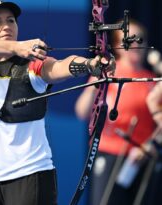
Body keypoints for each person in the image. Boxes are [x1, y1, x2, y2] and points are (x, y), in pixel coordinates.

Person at [0, 1, 115, 204]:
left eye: (11, 20)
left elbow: (60, 66)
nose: (6, 26)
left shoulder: (32, 66)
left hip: (30, 178)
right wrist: (15, 47)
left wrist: (90, 64)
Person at [75, 20, 156, 205]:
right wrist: (96, 82)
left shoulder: (152, 79)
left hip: (141, 158)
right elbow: (82, 111)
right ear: (119, 45)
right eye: (130, 40)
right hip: (109, 153)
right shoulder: (108, 72)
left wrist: (150, 144)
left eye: (140, 40)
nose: (136, 45)